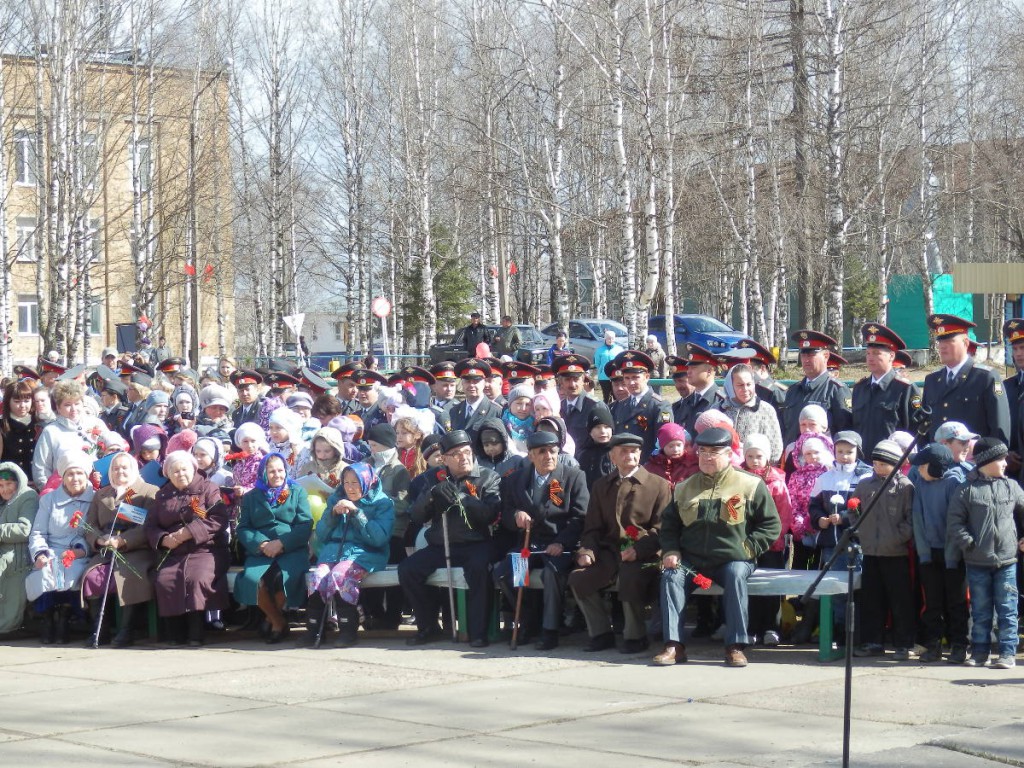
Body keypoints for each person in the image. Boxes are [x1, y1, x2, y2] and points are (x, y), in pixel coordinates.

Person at [654, 428, 781, 668]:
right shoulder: (684, 487)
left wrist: (748, 548)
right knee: (671, 575)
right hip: (693, 562)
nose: (707, 457)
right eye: (703, 451)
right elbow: (669, 526)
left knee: (735, 576)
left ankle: (735, 646)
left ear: (729, 454)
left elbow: (771, 525)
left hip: (733, 559)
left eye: (714, 452)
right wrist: (671, 551)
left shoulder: (750, 484)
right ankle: (674, 645)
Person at [569, 433, 670, 654]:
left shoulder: (658, 485)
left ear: (640, 454)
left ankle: (636, 636)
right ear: (612, 456)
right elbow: (592, 527)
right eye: (623, 451)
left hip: (643, 551)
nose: (629, 455)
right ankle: (601, 633)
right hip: (609, 551)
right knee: (579, 577)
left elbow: (662, 530)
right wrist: (587, 551)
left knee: (630, 576)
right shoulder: (601, 485)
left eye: (633, 451)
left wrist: (639, 550)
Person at [399, 430, 500, 647]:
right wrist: (431, 495)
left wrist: (463, 498)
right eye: (455, 454)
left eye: (466, 452)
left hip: (476, 542)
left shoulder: (488, 477)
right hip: (441, 543)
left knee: (479, 569)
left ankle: (477, 631)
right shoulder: (432, 478)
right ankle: (428, 626)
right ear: (444, 459)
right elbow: (416, 515)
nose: (463, 457)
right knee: (408, 569)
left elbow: (489, 515)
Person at [493, 431, 588, 650]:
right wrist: (516, 515)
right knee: (506, 574)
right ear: (531, 455)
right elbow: (505, 514)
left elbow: (580, 517)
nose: (548, 456)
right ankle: (528, 620)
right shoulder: (516, 479)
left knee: (551, 574)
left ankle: (550, 629)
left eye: (553, 451)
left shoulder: (573, 476)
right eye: (542, 452)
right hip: (530, 545)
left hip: (560, 545)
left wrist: (562, 542)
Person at [947, 437, 1024, 669]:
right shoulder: (966, 489)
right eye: (1000, 458)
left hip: (1007, 560)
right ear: (986, 461)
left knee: (1008, 609)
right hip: (977, 562)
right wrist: (970, 544)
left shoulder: (1011, 486)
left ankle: (1007, 653)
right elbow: (955, 523)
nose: (1004, 463)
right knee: (980, 611)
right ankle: (979, 653)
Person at [145, 450, 230, 646]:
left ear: (192, 468)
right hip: (174, 551)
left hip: (206, 549)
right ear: (168, 474)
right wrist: (163, 538)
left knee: (196, 579)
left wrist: (188, 533)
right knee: (165, 579)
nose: (180, 474)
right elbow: (150, 526)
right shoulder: (163, 494)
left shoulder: (208, 489)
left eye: (184, 469)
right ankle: (175, 634)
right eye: (175, 471)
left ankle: (196, 632)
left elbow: (218, 519)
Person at [305, 463, 395, 646]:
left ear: (366, 481)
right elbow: (321, 535)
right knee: (317, 578)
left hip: (366, 552)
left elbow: (378, 539)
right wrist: (333, 514)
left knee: (340, 575)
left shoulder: (382, 502)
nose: (350, 488)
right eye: (346, 483)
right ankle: (314, 631)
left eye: (355, 482)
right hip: (334, 553)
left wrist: (357, 513)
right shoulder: (336, 499)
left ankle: (348, 630)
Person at [80, 452, 158, 647]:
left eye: (124, 467)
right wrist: (99, 539)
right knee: (92, 577)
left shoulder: (148, 491)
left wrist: (123, 540)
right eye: (115, 468)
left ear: (133, 469)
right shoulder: (101, 494)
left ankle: (127, 630)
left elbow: (148, 526)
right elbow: (90, 525)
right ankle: (101, 630)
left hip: (135, 550)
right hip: (106, 549)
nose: (119, 471)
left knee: (128, 576)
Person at [235, 453, 313, 644]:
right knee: (254, 580)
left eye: (280, 470)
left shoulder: (296, 492)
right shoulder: (252, 496)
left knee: (283, 579)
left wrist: (282, 543)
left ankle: (272, 622)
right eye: (271, 471)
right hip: (261, 551)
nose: (277, 475)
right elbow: (243, 527)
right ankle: (279, 621)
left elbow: (305, 524)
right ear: (263, 473)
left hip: (291, 549)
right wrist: (261, 544)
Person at [849, 439, 915, 660]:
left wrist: (897, 538)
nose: (878, 468)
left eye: (883, 464)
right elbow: (853, 509)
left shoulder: (905, 486)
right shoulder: (864, 485)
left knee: (900, 600)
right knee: (871, 600)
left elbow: (910, 519)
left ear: (895, 464)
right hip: (870, 552)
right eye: (875, 463)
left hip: (895, 553)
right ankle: (872, 641)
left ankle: (903, 643)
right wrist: (860, 531)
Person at [27, 450, 96, 643]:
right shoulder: (49, 500)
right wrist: (40, 553)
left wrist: (82, 550)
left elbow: (96, 532)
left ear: (86, 475)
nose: (75, 478)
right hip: (52, 549)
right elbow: (38, 532)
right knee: (45, 572)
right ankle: (48, 619)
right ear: (63, 477)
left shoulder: (95, 499)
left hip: (80, 552)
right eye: (70, 474)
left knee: (72, 571)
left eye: (79, 473)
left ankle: (65, 619)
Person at [909, 443, 969, 664]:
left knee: (956, 602)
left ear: (934, 466)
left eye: (922, 466)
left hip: (954, 555)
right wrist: (924, 553)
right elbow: (918, 520)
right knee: (932, 604)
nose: (919, 471)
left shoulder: (955, 484)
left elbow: (957, 521)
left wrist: (953, 555)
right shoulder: (921, 486)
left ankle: (959, 645)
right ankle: (933, 646)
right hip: (929, 554)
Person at [921, 314, 1010, 443]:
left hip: (974, 459)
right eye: (940, 341)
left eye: (949, 341)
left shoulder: (984, 377)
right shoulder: (932, 380)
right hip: (939, 459)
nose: (942, 346)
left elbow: (999, 428)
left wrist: (991, 459)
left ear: (965, 343)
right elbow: (925, 428)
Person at [741, 434, 792, 646]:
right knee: (750, 587)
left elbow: (784, 514)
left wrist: (776, 538)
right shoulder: (739, 479)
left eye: (759, 456)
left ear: (767, 457)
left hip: (772, 545)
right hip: (746, 544)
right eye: (750, 456)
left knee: (771, 586)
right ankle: (751, 627)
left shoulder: (776, 483)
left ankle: (772, 626)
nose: (754, 460)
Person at [851, 323, 921, 454]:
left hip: (892, 463)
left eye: (877, 353)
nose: (870, 358)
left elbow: (915, 431)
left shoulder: (905, 389)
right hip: (862, 462)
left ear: (892, 356)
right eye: (868, 353)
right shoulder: (860, 389)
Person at [781, 329, 852, 445]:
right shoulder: (793, 391)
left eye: (811, 354)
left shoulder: (836, 390)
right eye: (803, 355)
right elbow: (786, 430)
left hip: (822, 459)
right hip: (792, 458)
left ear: (826, 356)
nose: (806, 360)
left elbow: (843, 432)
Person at [32, 381, 101, 489]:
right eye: (67, 405)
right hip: (63, 494)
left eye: (77, 403)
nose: (73, 409)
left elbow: (113, 444)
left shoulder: (96, 423)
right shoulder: (50, 431)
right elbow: (41, 469)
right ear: (58, 408)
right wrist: (51, 494)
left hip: (94, 492)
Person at [609, 350, 672, 460]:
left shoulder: (660, 406)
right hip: (623, 465)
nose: (631, 383)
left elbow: (664, 442)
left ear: (647, 377)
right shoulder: (620, 405)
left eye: (635, 377)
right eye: (627, 378)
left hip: (648, 468)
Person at [0, 461, 38, 635]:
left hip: (18, 559)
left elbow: (25, 529)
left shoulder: (28, 496)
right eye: (0, 485)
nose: (5, 489)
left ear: (18, 482)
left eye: (9, 484)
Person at [722, 363, 783, 464]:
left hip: (757, 473)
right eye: (740, 385)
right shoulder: (720, 409)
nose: (745, 389)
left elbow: (775, 449)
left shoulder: (765, 410)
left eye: (749, 384)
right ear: (731, 386)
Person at [448, 358, 502, 438]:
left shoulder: (496, 411)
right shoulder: (454, 410)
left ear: (484, 383)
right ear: (462, 383)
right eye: (467, 381)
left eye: (476, 381)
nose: (471, 385)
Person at [555, 355, 596, 452]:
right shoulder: (558, 407)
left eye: (576, 379)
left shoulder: (595, 407)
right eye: (567, 380)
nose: (572, 385)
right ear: (561, 383)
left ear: (583, 380)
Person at [0, 378, 38, 480]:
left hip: (35, 481)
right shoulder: (2, 425)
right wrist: (6, 482)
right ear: (8, 402)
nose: (22, 406)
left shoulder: (38, 423)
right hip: (10, 484)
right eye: (17, 401)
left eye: (26, 401)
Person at [576, 406, 615, 488]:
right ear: (590, 432)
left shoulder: (618, 451)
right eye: (597, 427)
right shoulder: (584, 454)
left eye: (606, 427)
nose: (603, 431)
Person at [594, 330, 624, 404]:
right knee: (606, 396)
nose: (611, 340)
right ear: (605, 339)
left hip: (617, 375)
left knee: (617, 395)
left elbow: (622, 361)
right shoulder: (600, 350)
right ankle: (607, 412)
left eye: (612, 338)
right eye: (609, 338)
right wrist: (601, 370)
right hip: (603, 377)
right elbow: (597, 363)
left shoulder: (619, 349)